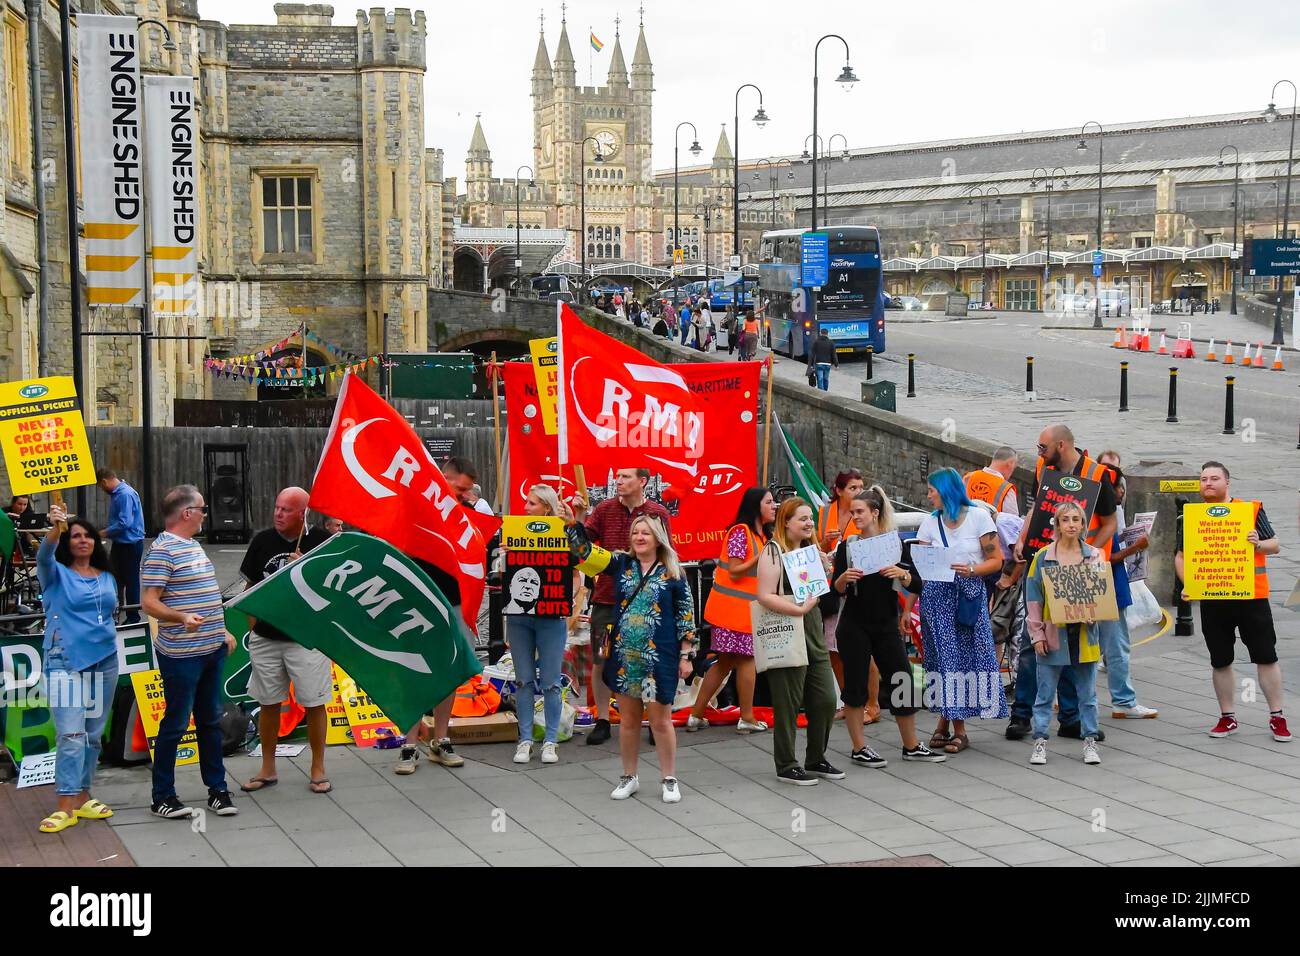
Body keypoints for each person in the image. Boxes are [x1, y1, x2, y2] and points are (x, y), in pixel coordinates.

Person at [569, 514, 696, 802]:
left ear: (658, 538)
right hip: (626, 659)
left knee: (660, 720)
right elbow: (582, 553)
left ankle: (669, 778)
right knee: (627, 720)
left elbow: (685, 616)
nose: (639, 538)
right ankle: (629, 776)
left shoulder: (673, 571)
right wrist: (573, 522)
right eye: (635, 533)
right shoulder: (620, 563)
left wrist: (686, 655)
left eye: (646, 533)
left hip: (657, 659)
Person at [1008, 425, 1118, 741]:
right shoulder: (1044, 469)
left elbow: (1109, 523)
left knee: (1073, 643)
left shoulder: (1098, 474)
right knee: (1033, 643)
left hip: (1079, 570)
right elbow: (1036, 508)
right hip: (1044, 562)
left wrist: (1088, 552)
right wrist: (1022, 537)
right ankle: (1022, 716)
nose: (1038, 453)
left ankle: (1071, 718)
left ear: (1061, 444)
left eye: (1042, 447)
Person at [140, 485, 238, 820]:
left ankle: (217, 789)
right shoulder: (162, 551)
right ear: (187, 513)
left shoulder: (193, 546)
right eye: (202, 508)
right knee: (176, 723)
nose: (205, 514)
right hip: (182, 654)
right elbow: (149, 602)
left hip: (211, 649)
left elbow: (207, 596)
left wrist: (222, 630)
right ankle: (163, 796)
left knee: (210, 719)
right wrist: (181, 617)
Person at [831, 487, 947, 766]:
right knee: (856, 685)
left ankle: (911, 744)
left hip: (885, 622)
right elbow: (835, 589)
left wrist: (903, 574)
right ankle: (859, 747)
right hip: (854, 623)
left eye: (860, 511)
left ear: (875, 513)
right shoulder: (848, 547)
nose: (855, 516)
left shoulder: (896, 544)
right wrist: (844, 578)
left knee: (901, 679)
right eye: (852, 512)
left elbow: (918, 583)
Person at [1175, 461, 1289, 742]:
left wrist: (1258, 543)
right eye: (1203, 479)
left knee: (1266, 655)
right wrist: (1190, 583)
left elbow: (1274, 544)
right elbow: (1181, 556)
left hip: (1252, 597)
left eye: (1214, 478)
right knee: (1220, 659)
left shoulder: (1249, 511)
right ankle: (1227, 717)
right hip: (1215, 597)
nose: (1208, 483)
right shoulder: (1192, 517)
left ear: (1227, 483)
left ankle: (1277, 716)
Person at [238, 487, 334, 794]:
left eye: (286, 510)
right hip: (266, 635)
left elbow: (332, 592)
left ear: (303, 513)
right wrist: (254, 627)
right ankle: (268, 767)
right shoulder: (262, 541)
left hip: (306, 638)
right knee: (267, 701)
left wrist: (305, 567)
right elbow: (250, 585)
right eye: (277, 508)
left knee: (314, 701)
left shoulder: (321, 541)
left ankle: (318, 767)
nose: (278, 514)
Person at [394, 457, 486, 773]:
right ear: (442, 479)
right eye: (459, 489)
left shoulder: (468, 516)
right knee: (415, 670)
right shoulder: (416, 511)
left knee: (448, 672)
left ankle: (440, 739)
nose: (462, 496)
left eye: (467, 491)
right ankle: (408, 743)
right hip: (419, 602)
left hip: (455, 603)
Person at [34, 503, 120, 834]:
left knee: (93, 735)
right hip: (64, 661)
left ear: (95, 543)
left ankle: (84, 797)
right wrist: (56, 527)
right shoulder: (55, 574)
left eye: (87, 536)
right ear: (67, 543)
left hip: (105, 660)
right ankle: (65, 805)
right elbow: (43, 557)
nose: (82, 540)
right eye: (75, 535)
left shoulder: (108, 576)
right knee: (71, 734)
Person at [915, 468, 1008, 754]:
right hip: (936, 596)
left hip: (968, 594)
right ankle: (956, 729)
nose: (929, 495)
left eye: (932, 490)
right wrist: (908, 608)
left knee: (967, 659)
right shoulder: (929, 524)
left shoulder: (979, 518)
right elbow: (920, 568)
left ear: (945, 490)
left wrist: (972, 569)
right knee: (945, 660)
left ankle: (949, 726)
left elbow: (996, 560)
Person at [580, 467, 672, 745]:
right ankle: (603, 718)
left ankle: (652, 720)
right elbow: (582, 542)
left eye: (626, 477)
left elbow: (668, 553)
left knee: (648, 659)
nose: (618, 481)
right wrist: (576, 518)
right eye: (617, 477)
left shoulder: (658, 513)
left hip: (646, 603)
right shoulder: (605, 509)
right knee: (600, 658)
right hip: (607, 600)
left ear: (642, 481)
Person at [757, 498, 842, 786]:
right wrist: (798, 610)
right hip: (787, 629)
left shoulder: (809, 550)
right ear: (786, 522)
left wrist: (824, 568)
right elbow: (765, 595)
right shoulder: (773, 551)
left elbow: (818, 590)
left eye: (810, 519)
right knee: (788, 702)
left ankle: (816, 757)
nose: (809, 524)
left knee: (826, 699)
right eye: (802, 519)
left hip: (812, 631)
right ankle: (786, 763)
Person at [508, 485, 587, 764]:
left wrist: (572, 524)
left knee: (552, 682)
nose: (526, 508)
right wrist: (503, 553)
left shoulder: (564, 531)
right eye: (526, 503)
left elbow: (582, 557)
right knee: (524, 680)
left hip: (552, 617)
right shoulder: (514, 531)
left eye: (532, 503)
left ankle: (550, 740)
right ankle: (525, 739)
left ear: (546, 508)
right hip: (519, 618)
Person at [1025, 502, 1106, 766]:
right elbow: (1033, 599)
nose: (1072, 524)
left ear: (1083, 525)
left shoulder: (1094, 555)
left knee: (1088, 695)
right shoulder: (1043, 557)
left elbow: (1101, 595)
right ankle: (1039, 742)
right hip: (1052, 635)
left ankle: (1090, 741)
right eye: (1066, 519)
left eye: (1077, 519)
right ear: (1057, 525)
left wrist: (1096, 612)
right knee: (1045, 693)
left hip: (1084, 635)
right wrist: (1036, 635)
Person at [691, 488, 776, 734]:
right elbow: (736, 570)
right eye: (769, 502)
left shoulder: (761, 535)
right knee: (746, 660)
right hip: (733, 612)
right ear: (755, 506)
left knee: (725, 662)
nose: (774, 506)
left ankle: (696, 715)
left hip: (736, 611)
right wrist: (761, 557)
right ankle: (747, 717)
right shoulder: (741, 532)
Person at [1087, 458, 1159, 720]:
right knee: (1116, 647)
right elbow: (1106, 557)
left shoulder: (1095, 514)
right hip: (1110, 586)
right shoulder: (1106, 517)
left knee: (1088, 646)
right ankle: (1124, 701)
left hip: (1101, 586)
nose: (1121, 492)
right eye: (1119, 487)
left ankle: (1078, 699)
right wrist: (1135, 547)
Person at [95, 469, 145, 625]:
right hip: (121, 543)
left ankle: (132, 617)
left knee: (130, 581)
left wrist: (103, 533)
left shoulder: (124, 495)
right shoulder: (120, 493)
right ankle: (117, 611)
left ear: (104, 482)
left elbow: (125, 522)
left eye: (101, 487)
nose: (102, 490)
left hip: (130, 544)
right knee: (116, 579)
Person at [963, 446, 1020, 516]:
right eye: (1014, 468)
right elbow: (1012, 523)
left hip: (965, 525)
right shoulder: (1006, 490)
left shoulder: (968, 477)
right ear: (1010, 464)